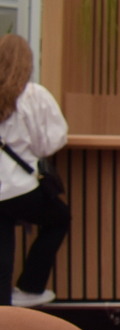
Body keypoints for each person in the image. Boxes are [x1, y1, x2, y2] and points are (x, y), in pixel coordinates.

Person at [0, 35, 70, 308]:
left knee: (3, 250)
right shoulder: (33, 95)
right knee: (59, 218)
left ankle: (4, 313)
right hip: (21, 188)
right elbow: (50, 143)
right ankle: (30, 287)